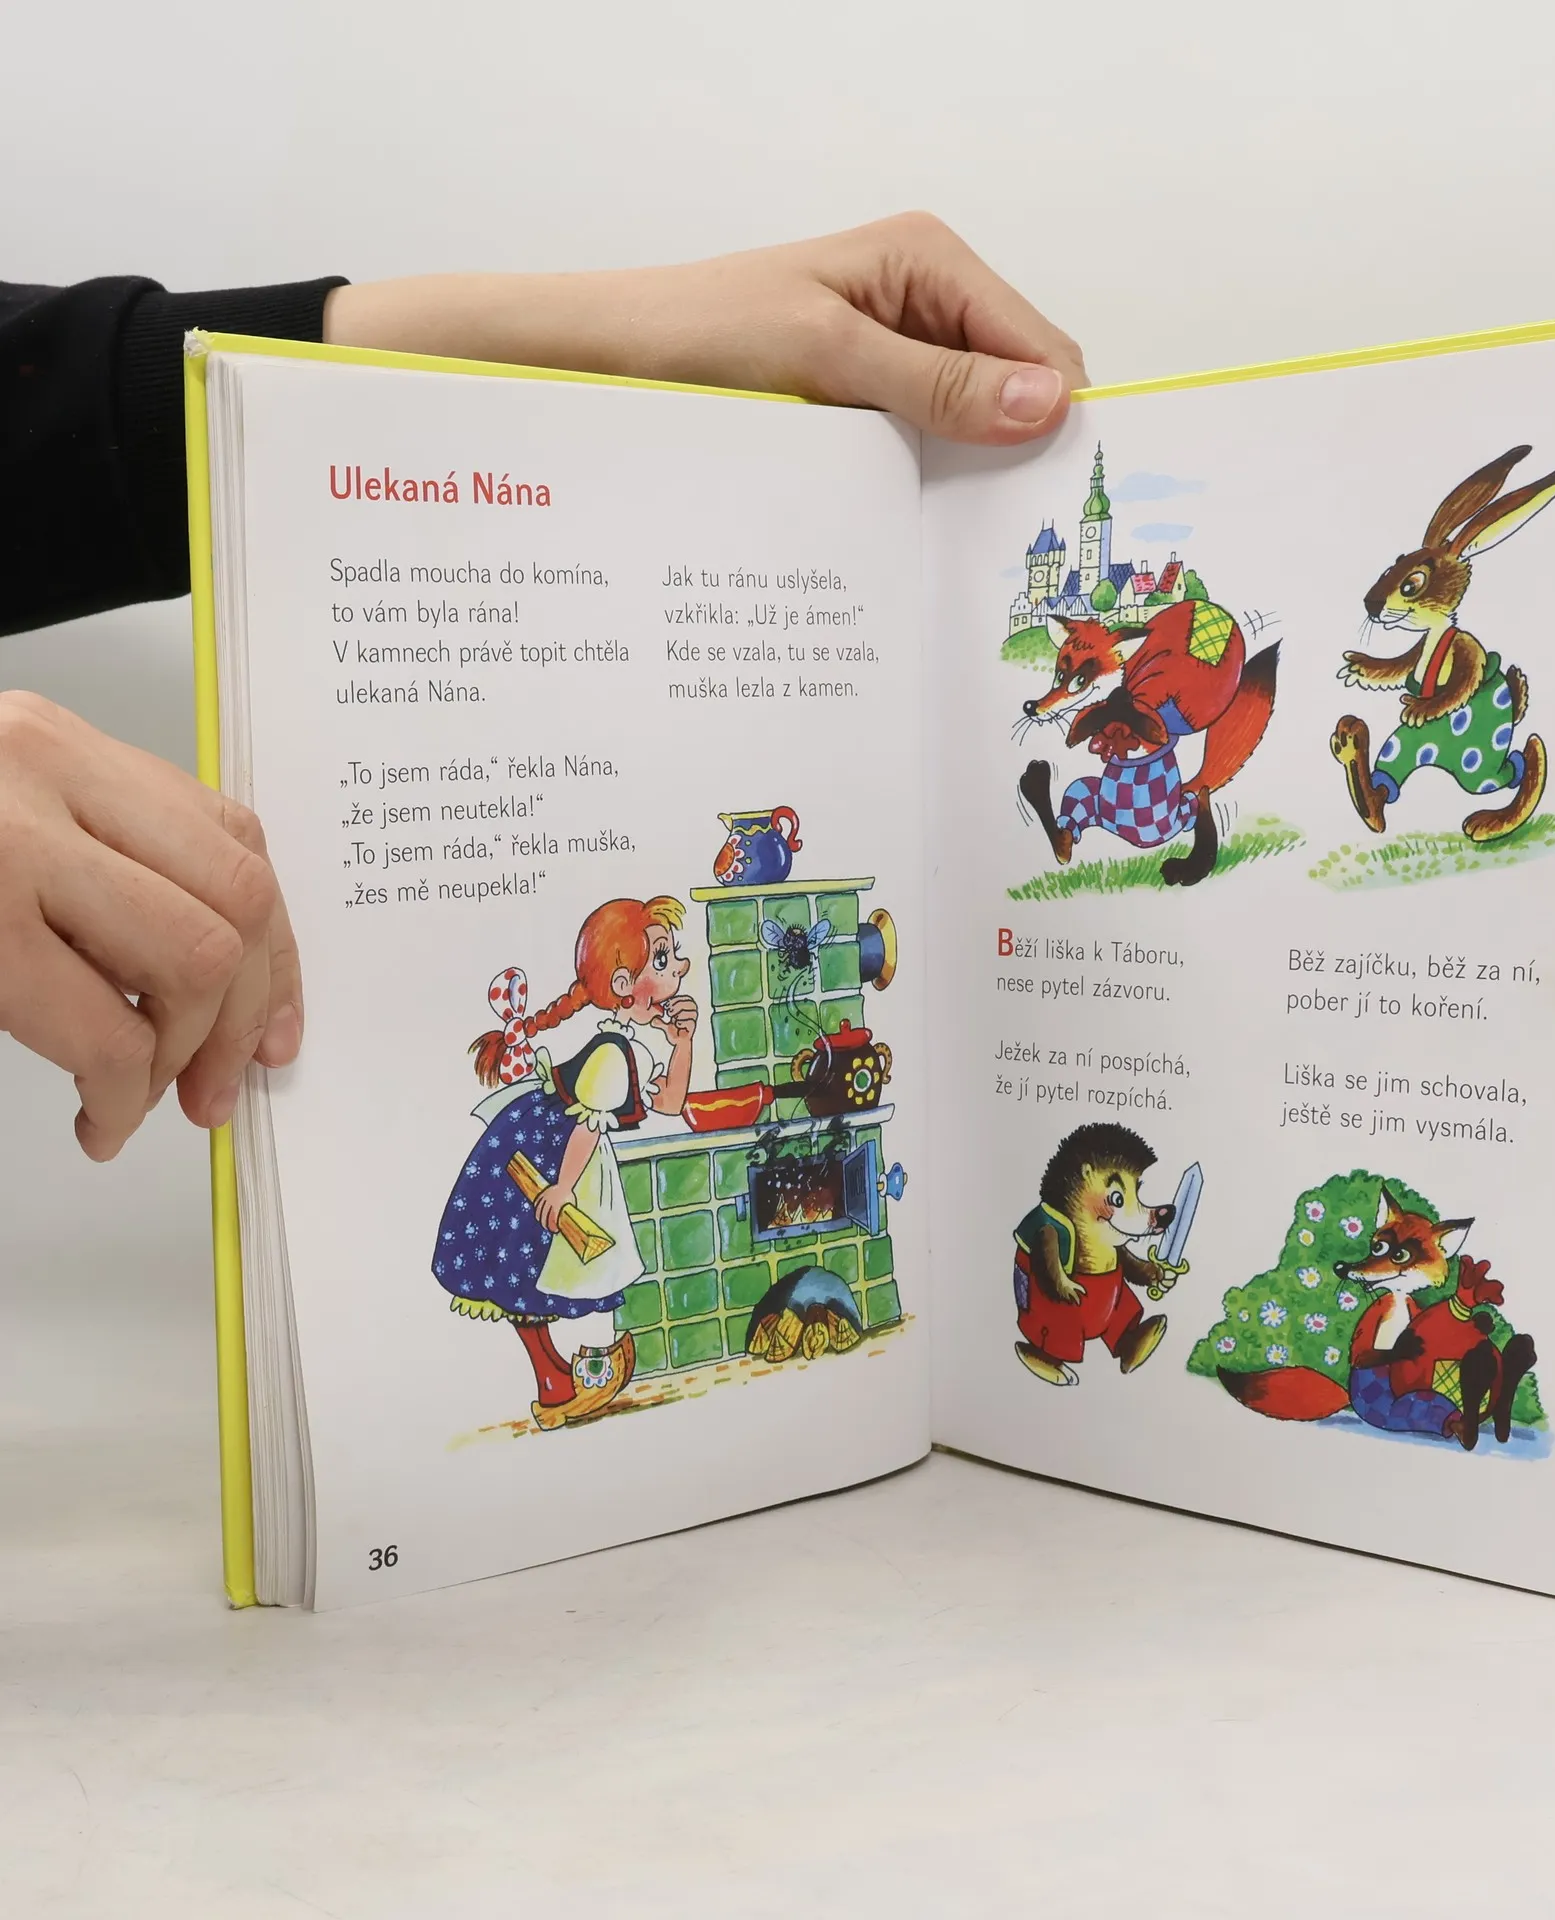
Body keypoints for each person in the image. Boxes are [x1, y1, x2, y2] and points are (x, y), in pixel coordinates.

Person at [0, 214, 1088, 1160]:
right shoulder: (614, 1041)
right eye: (659, 960)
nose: (672, 969)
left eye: (667, 956)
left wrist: (621, 329)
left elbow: (57, 419)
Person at [437, 896, 697, 1429]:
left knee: (534, 1275)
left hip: (557, 1154)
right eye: (664, 958)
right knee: (529, 1270)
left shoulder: (633, 1044)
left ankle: (555, 1378)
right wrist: (562, 1189)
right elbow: (586, 1125)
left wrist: (683, 1044)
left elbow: (671, 1102)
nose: (681, 966)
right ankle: (554, 1381)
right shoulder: (613, 1053)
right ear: (624, 984)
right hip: (542, 1157)